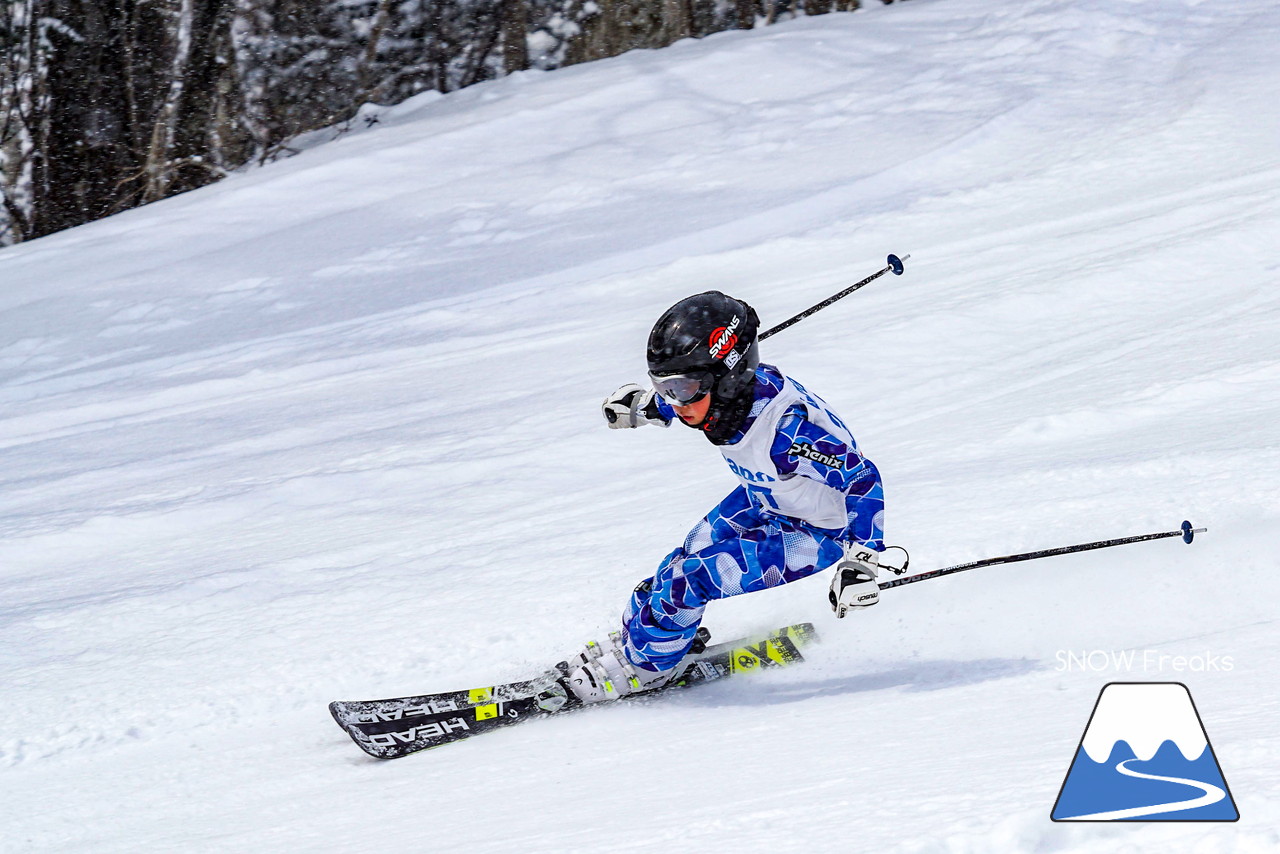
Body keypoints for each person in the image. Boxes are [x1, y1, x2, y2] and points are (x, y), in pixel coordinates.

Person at [562, 291, 887, 704]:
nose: (675, 401)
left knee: (692, 579)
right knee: (681, 560)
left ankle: (645, 670)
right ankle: (642, 640)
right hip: (767, 497)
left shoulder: (787, 431)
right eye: (664, 386)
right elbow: (688, 402)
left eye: (681, 388)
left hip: (819, 532)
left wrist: (862, 560)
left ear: (728, 376)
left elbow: (861, 478)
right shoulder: (721, 397)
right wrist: (644, 409)